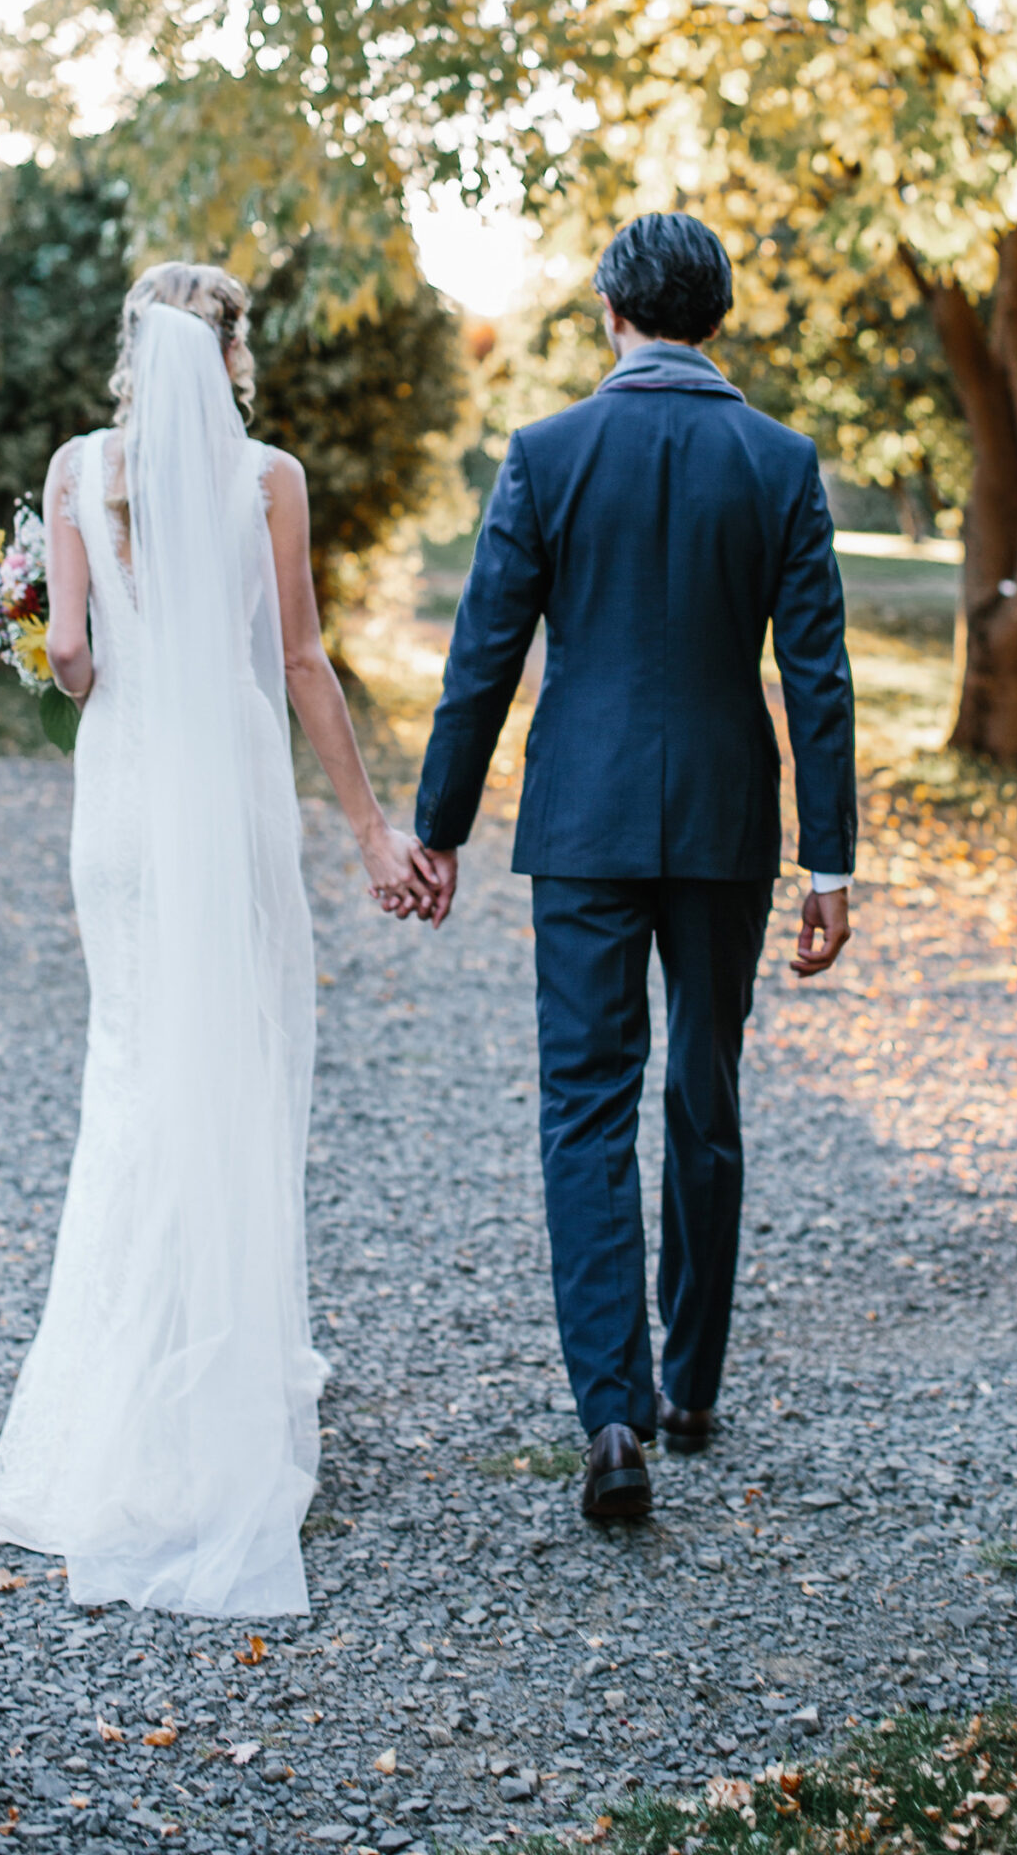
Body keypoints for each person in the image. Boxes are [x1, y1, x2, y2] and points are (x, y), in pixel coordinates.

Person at [0, 262, 435, 1615]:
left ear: (133, 353)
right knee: (227, 1076)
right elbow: (299, 663)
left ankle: (96, 1423)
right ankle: (208, 1399)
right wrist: (366, 830)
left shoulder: (75, 470)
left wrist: (30, 610)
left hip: (122, 806)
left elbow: (72, 661)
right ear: (231, 353)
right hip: (229, 802)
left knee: (127, 1079)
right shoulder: (268, 480)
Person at [409, 215, 857, 1520]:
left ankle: (611, 1417)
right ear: (716, 317)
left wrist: (438, 829)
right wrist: (831, 863)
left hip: (586, 826)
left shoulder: (548, 454)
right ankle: (692, 1385)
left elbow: (483, 655)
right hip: (728, 828)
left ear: (612, 308)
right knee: (703, 1093)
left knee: (585, 1108)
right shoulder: (779, 459)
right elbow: (816, 678)